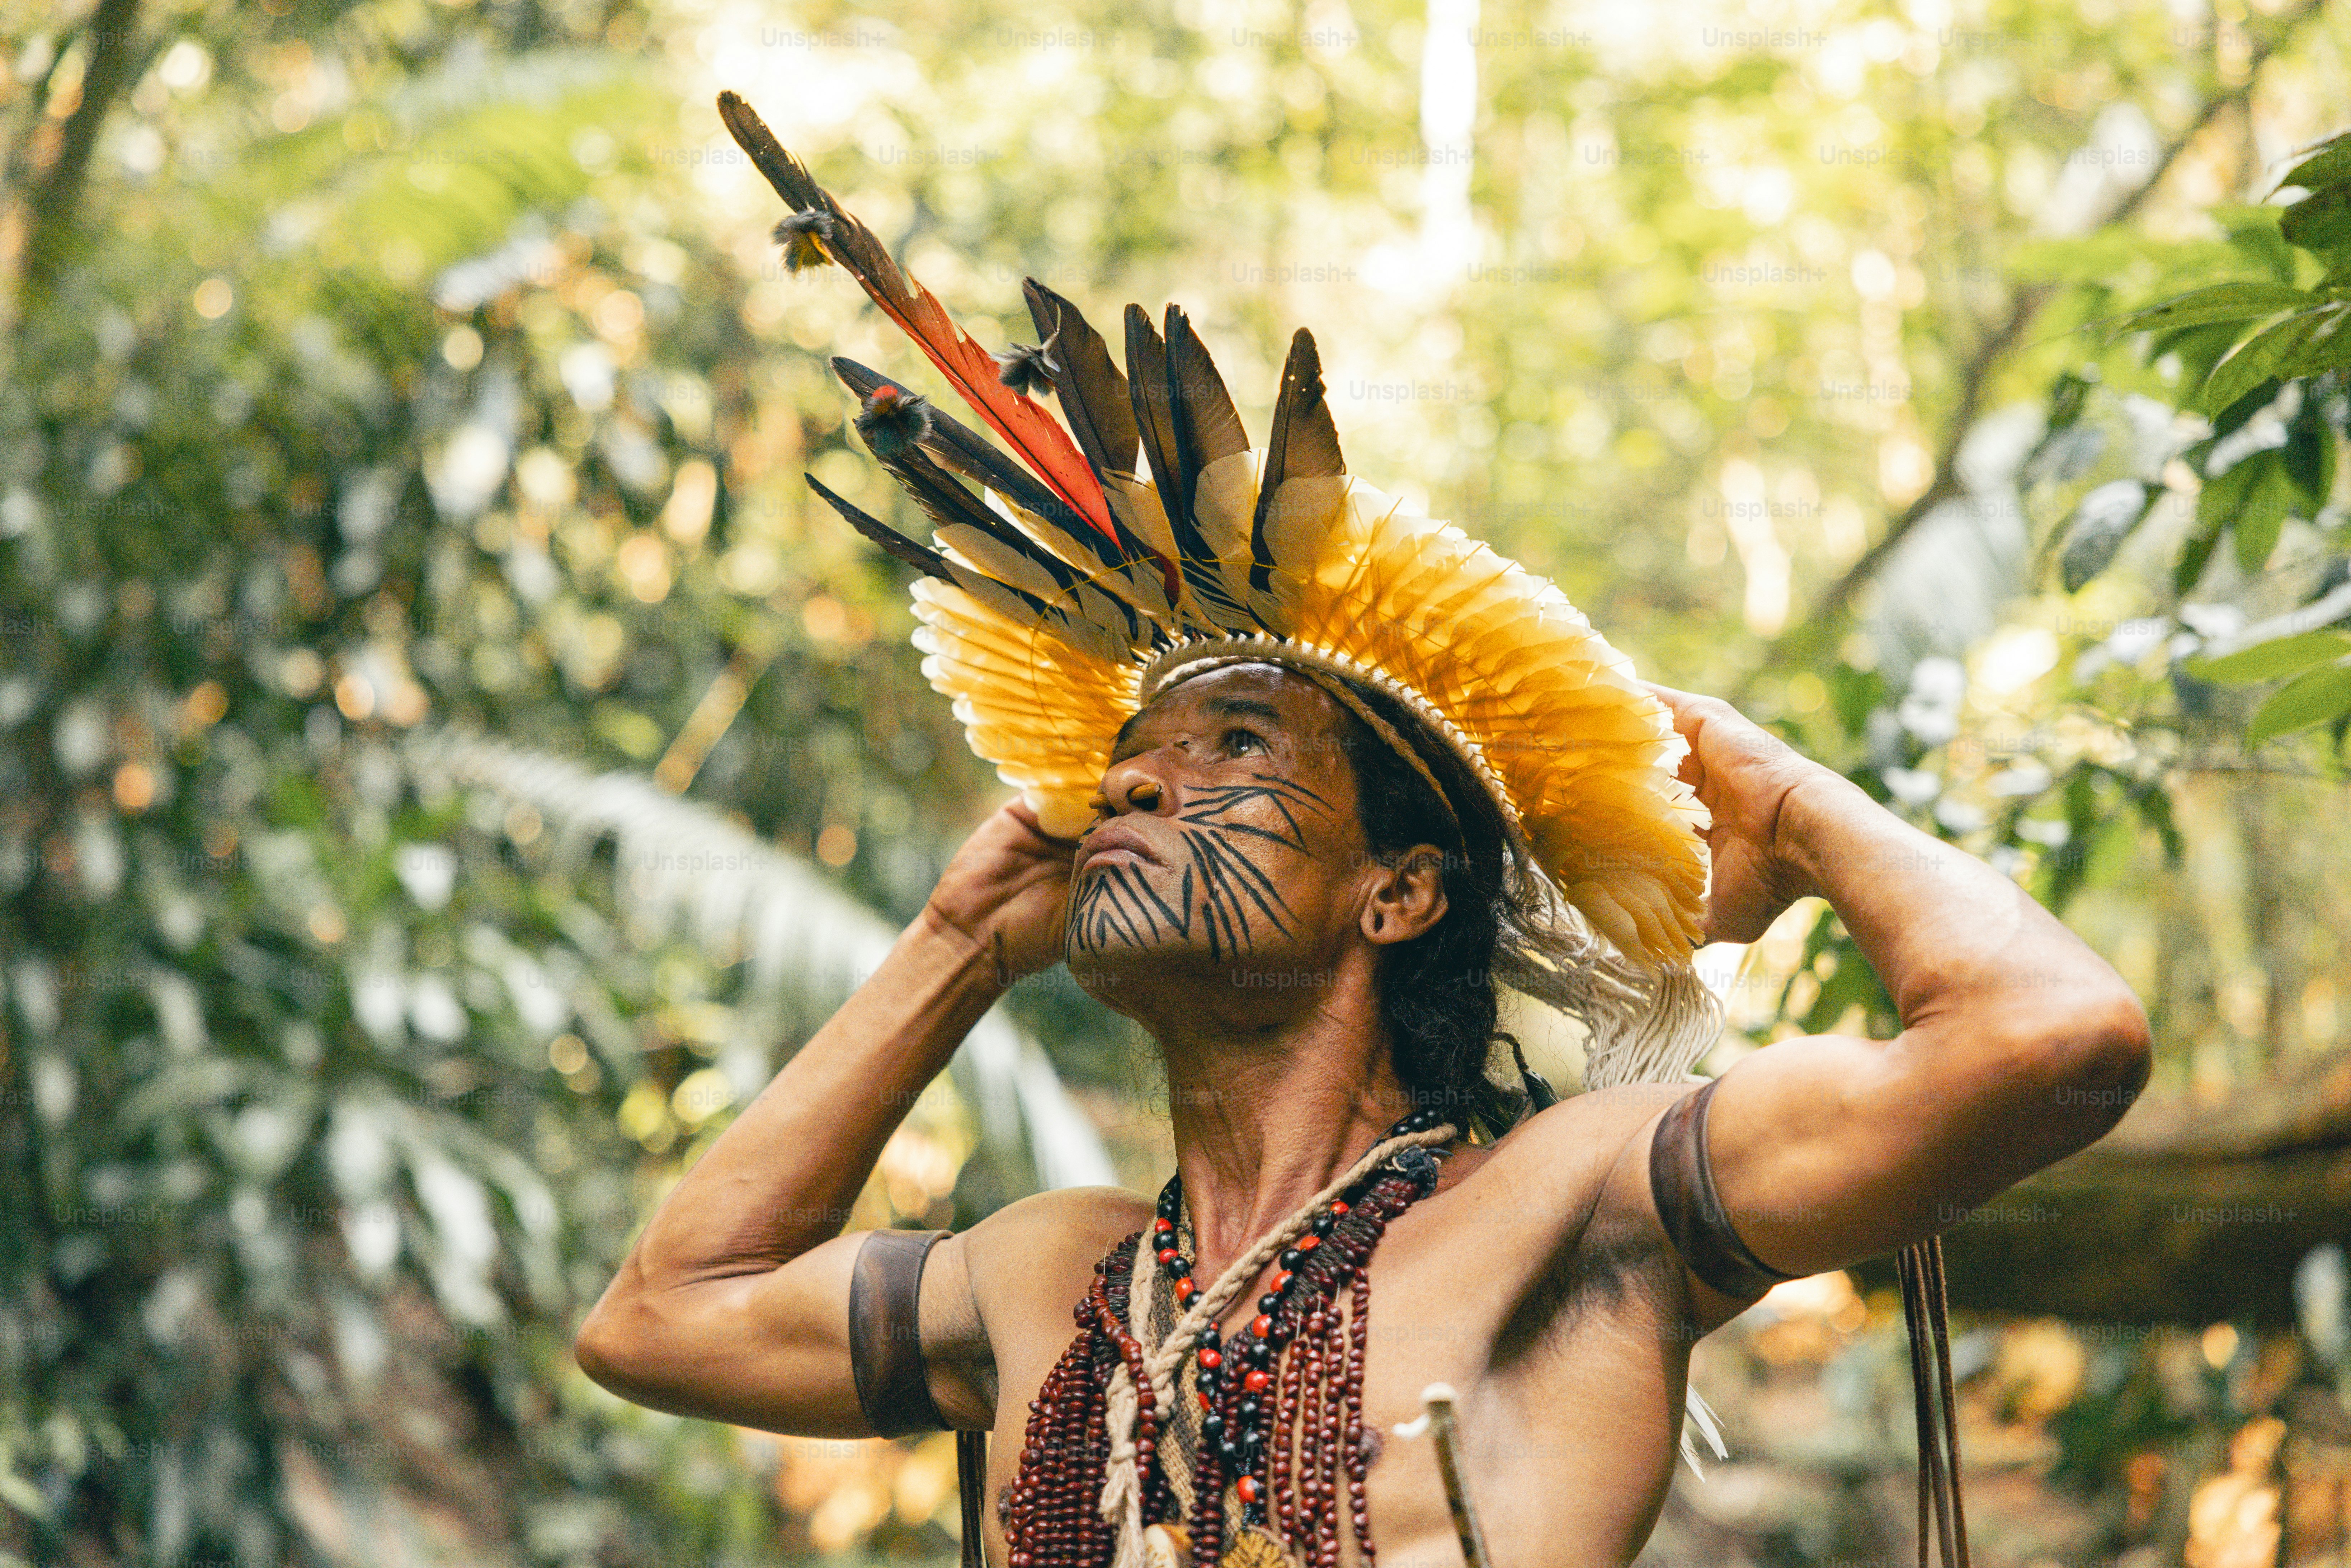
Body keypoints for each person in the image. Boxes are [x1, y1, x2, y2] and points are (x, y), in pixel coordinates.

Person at [574, 93, 2153, 1568]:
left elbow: (2055, 1038)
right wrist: (955, 943)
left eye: (1233, 747)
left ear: (1394, 892)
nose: (1131, 785)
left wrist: (1780, 801)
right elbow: (658, 1316)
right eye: (1129, 761)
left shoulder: (1577, 1204)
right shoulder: (1038, 1271)